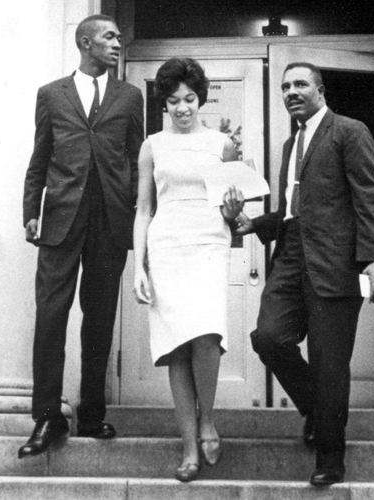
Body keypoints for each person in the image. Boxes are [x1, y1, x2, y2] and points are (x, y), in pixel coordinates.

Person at [236, 62, 374, 486]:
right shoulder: (291, 144)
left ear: (320, 90)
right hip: (289, 258)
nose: (291, 92)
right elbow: (294, 212)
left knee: (329, 364)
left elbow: (370, 197)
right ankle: (318, 411)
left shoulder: (349, 131)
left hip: (336, 264)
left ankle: (330, 458)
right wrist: (257, 225)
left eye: (300, 84)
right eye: (285, 87)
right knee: (268, 337)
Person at [20, 15, 144, 459]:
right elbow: (40, 157)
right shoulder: (52, 94)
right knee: (51, 316)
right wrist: (30, 210)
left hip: (110, 222)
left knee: (100, 319)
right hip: (60, 220)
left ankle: (92, 411)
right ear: (85, 42)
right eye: (109, 36)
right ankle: (47, 416)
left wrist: (137, 218)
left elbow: (136, 161)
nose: (117, 43)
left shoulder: (130, 97)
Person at [133, 58, 244, 482]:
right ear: (164, 102)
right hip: (166, 246)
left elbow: (231, 206)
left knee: (207, 336)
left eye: (190, 99)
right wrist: (138, 265)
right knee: (176, 345)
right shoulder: (152, 145)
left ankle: (208, 419)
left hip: (209, 242)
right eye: (174, 100)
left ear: (201, 99)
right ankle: (188, 445)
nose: (182, 108)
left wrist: (234, 212)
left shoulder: (222, 144)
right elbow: (144, 208)